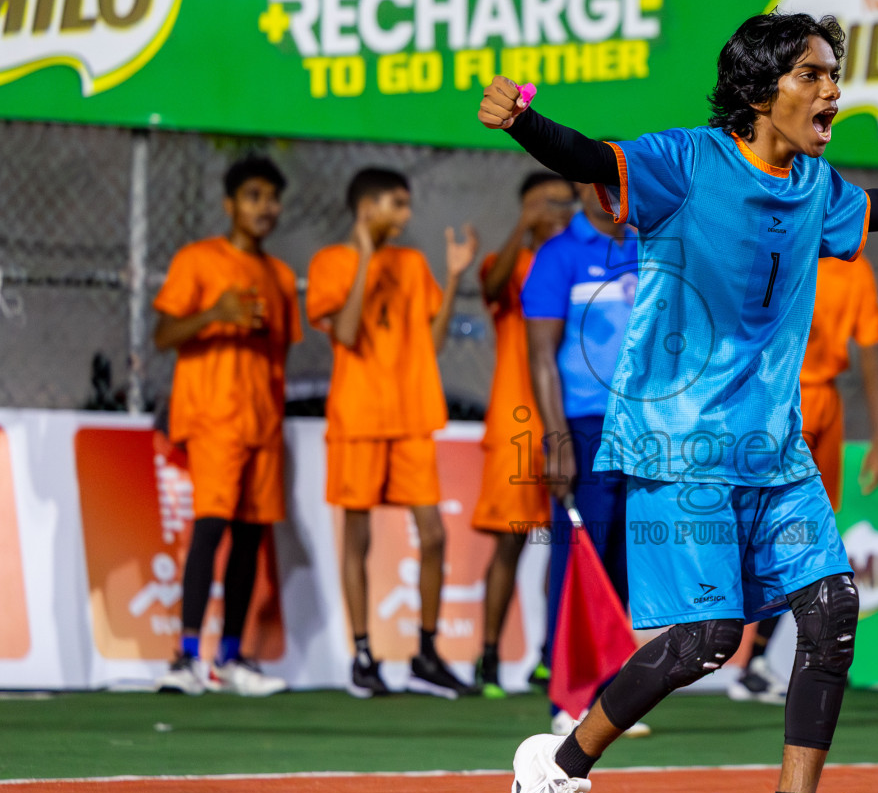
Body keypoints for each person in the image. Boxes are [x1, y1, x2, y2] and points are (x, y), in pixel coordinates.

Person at [479, 11, 878, 793]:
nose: (833, 91)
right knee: (706, 639)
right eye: (813, 75)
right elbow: (592, 158)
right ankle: (557, 771)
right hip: (677, 440)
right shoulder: (686, 163)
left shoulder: (816, 184)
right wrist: (524, 122)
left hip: (773, 446)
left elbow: (875, 211)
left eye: (834, 75)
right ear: (761, 91)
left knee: (832, 609)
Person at [307, 167, 480, 698]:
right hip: (358, 417)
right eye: (397, 204)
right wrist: (363, 258)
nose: (406, 214)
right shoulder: (330, 262)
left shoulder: (411, 263)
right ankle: (364, 656)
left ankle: (425, 654)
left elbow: (433, 342)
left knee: (433, 535)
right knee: (356, 537)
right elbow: (346, 332)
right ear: (368, 208)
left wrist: (454, 277)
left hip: (410, 416)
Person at [151, 155, 299, 698]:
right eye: (254, 196)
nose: (266, 207)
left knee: (250, 537)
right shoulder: (198, 260)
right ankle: (187, 656)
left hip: (263, 423)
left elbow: (281, 354)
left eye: (273, 198)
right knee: (210, 529)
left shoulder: (281, 276)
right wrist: (215, 314)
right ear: (229, 204)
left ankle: (231, 658)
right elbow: (163, 335)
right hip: (215, 417)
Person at [732, 254, 878, 704]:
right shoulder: (784, 250)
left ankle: (762, 660)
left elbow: (870, 349)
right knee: (766, 529)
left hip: (824, 407)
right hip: (778, 399)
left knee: (809, 534)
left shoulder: (856, 266)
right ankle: (734, 647)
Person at [521, 181, 640, 733]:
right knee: (576, 562)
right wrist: (557, 439)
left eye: (620, 182)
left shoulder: (646, 246)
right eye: (600, 183)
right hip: (585, 428)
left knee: (620, 564)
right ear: (583, 190)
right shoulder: (558, 256)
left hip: (641, 430)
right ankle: (568, 702)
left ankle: (610, 701)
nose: (612, 194)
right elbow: (541, 357)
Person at [472, 171, 573, 698]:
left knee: (566, 544)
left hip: (567, 421)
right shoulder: (510, 265)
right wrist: (521, 229)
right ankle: (487, 658)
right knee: (510, 543)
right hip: (515, 421)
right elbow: (490, 288)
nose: (555, 210)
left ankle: (550, 656)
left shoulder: (575, 262)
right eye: (543, 203)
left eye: (562, 201)